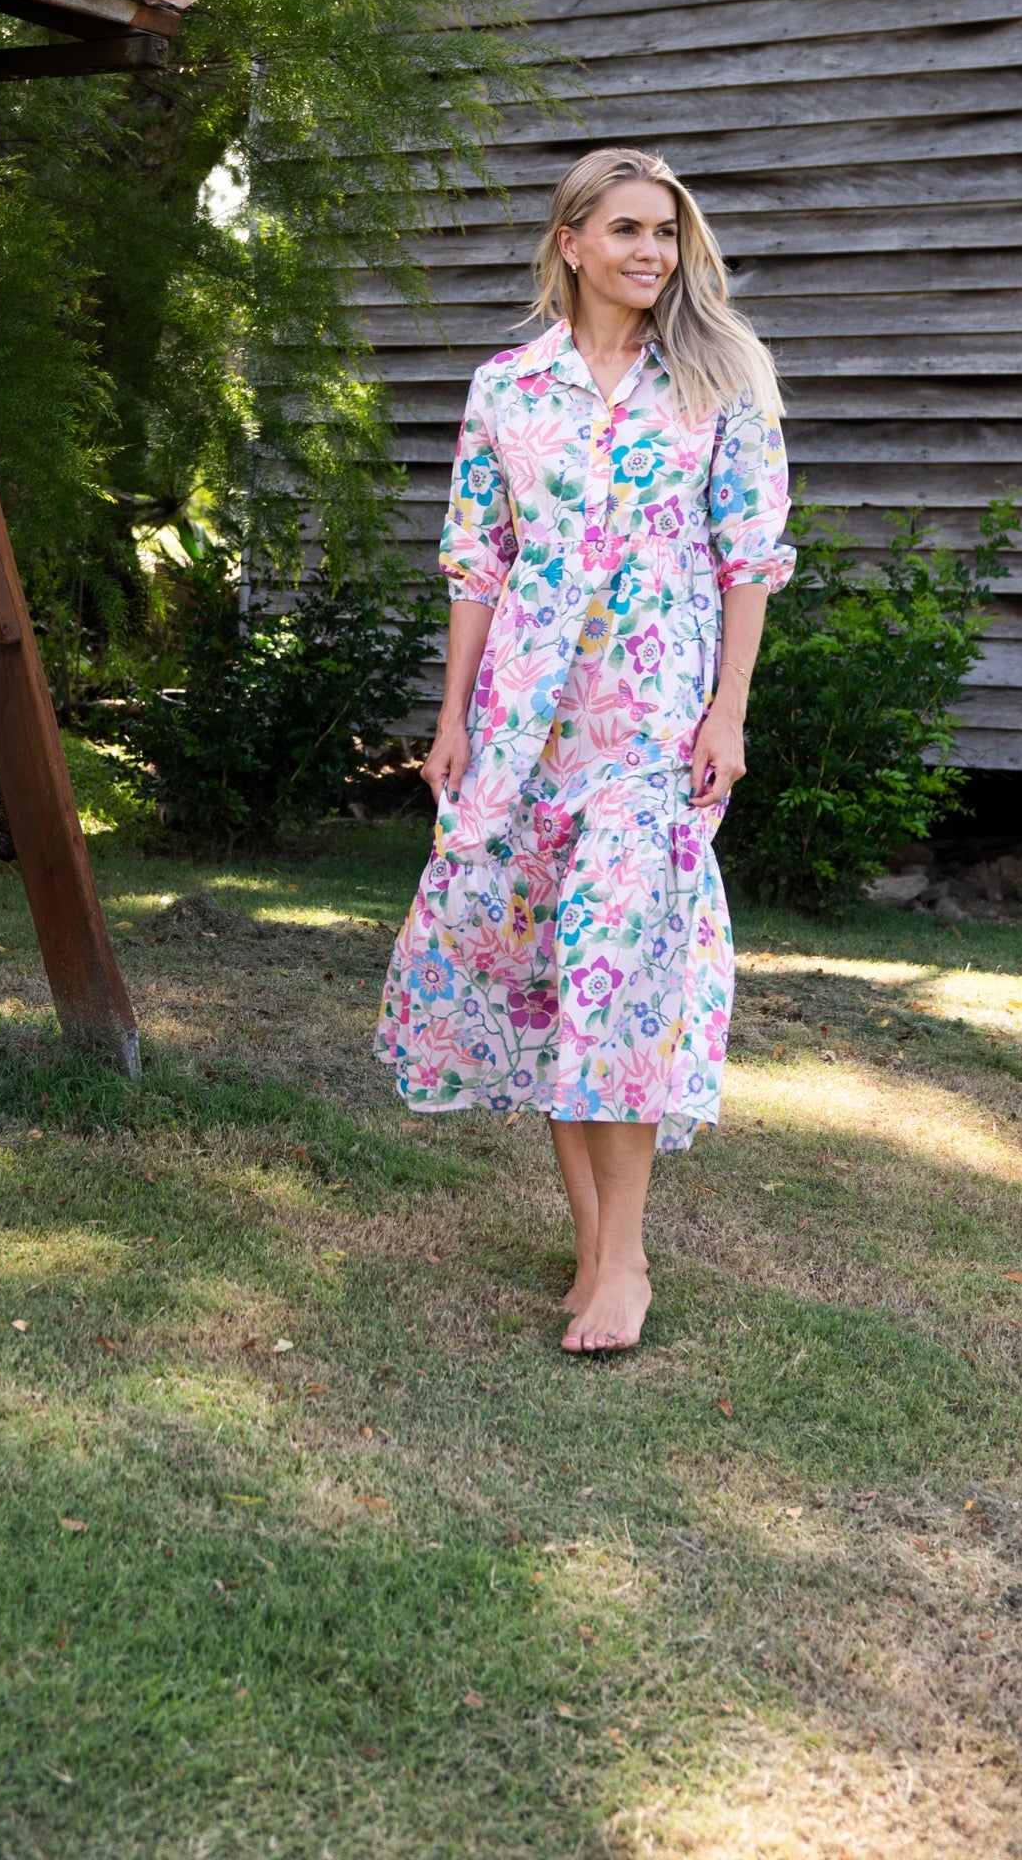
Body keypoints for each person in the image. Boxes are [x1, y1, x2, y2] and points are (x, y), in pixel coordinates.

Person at [377, 148, 793, 1355]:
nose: (652, 253)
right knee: (548, 973)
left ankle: (625, 1262)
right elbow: (476, 562)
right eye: (626, 231)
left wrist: (731, 711)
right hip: (523, 721)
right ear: (571, 241)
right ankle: (592, 1242)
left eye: (666, 233)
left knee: (624, 966)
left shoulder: (721, 380)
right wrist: (452, 718)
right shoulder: (508, 389)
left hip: (655, 720)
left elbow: (749, 561)